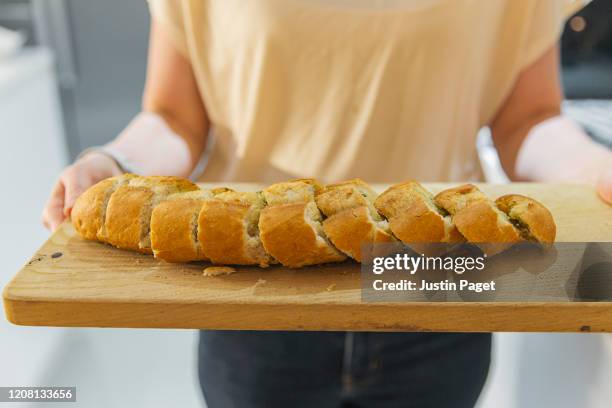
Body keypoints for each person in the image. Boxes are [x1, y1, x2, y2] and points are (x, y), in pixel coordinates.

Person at [43, 1, 611, 407]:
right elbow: (174, 118)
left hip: (437, 285)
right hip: (251, 303)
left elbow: (529, 121)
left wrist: (595, 169)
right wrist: (116, 163)